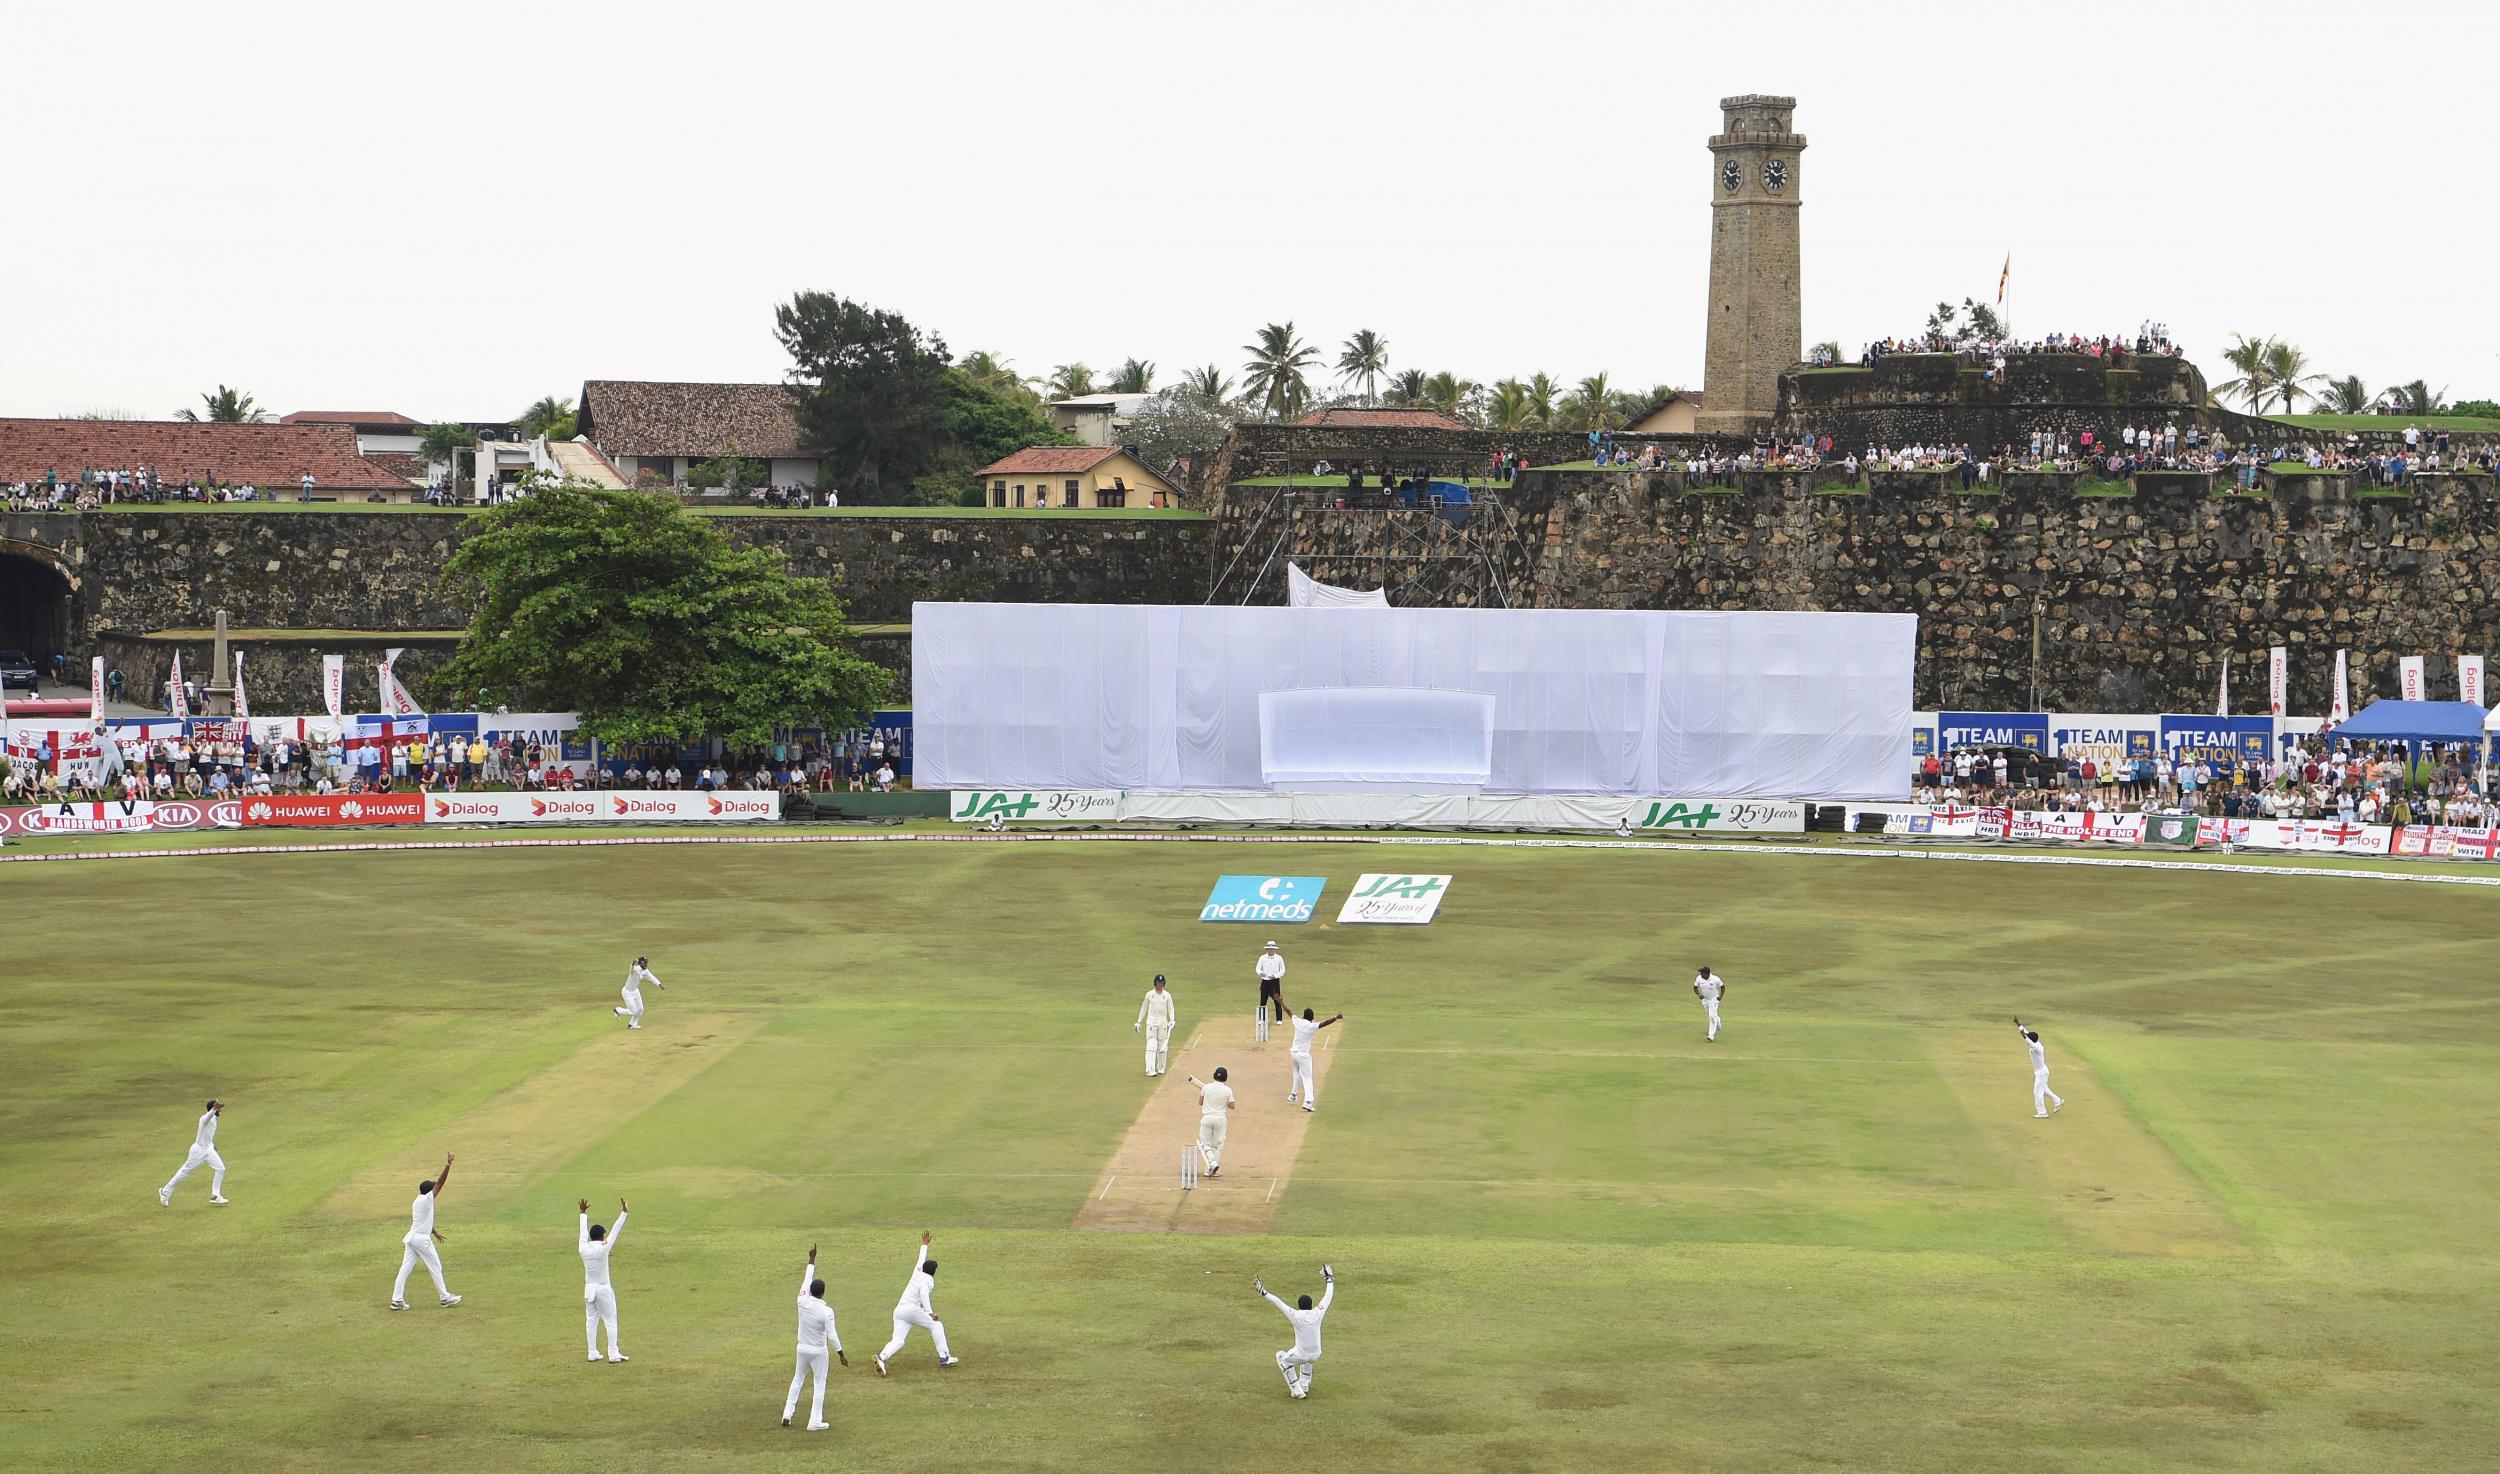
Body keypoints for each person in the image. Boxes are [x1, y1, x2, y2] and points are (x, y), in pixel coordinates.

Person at [874, 1231, 959, 1374]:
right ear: (934, 1272)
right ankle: (944, 1357)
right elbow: (923, 1294)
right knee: (936, 1326)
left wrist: (924, 1244)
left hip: (899, 1310)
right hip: (911, 1309)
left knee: (899, 1341)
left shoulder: (918, 1270)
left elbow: (921, 1258)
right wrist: (930, 1313)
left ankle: (881, 1358)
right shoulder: (928, 1281)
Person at [784, 1243, 847, 1429]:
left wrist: (812, 1259)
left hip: (802, 1348)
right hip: (819, 1351)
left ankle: (787, 1413)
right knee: (819, 1384)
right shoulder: (826, 1311)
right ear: (823, 1293)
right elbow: (832, 1335)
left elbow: (806, 1278)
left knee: (797, 1379)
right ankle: (814, 1421)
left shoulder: (801, 1300)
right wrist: (841, 1354)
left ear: (810, 1290)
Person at [391, 1153, 462, 1310]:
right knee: (435, 1266)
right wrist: (448, 1165)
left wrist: (435, 1233)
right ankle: (445, 1298)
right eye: (433, 1186)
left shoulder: (418, 1201)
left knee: (405, 1268)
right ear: (429, 1192)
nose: (435, 1186)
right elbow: (440, 1183)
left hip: (412, 1238)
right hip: (421, 1240)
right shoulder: (427, 1199)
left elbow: (424, 1222)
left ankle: (397, 1300)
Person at [1255, 1264, 1335, 1399]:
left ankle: (1297, 1390)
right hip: (1316, 1354)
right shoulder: (1317, 1312)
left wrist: (1264, 1292)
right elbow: (1328, 1296)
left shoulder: (1295, 1315)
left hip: (1302, 1354)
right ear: (1311, 1305)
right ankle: (1304, 1383)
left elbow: (1279, 1303)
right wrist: (1329, 1278)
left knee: (1282, 1358)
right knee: (1307, 1357)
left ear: (1299, 1305)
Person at [578, 1196, 629, 1362]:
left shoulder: (583, 1249)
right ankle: (613, 1353)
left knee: (591, 1320)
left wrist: (583, 1213)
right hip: (603, 1289)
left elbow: (582, 1233)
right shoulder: (603, 1249)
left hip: (589, 1289)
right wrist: (624, 1212)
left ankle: (592, 1352)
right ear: (602, 1236)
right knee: (610, 1320)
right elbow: (615, 1232)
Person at [159, 1098, 229, 1206]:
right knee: (184, 1172)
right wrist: (213, 1110)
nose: (220, 1110)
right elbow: (207, 1118)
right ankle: (165, 1192)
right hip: (198, 1151)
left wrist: (212, 1145)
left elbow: (207, 1134)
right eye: (218, 1108)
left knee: (221, 1168)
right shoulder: (204, 1118)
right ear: (213, 1109)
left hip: (209, 1149)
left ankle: (215, 1195)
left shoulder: (214, 1119)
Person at [1285, 1007, 1343, 1112]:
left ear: (1303, 1016)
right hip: (1303, 1055)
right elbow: (1325, 1023)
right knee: (1307, 1079)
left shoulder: (1298, 1022)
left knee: (1296, 1073)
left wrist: (1281, 1002)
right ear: (1312, 1017)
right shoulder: (1312, 1026)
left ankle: (1293, 1095)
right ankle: (1308, 1102)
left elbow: (1289, 1012)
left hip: (1293, 1053)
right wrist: (1336, 1017)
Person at [1185, 1066, 1236, 1177]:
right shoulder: (1227, 1090)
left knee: (1205, 1144)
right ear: (1225, 1078)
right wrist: (1224, 1101)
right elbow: (1232, 1106)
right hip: (1220, 1119)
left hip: (1207, 1118)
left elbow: (1200, 1102)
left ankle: (1210, 1167)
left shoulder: (1206, 1087)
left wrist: (1210, 1099)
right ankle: (1211, 1167)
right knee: (1217, 1146)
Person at [2015, 1017, 2065, 1118]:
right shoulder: (2035, 1042)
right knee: (2044, 1089)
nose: (2028, 1037)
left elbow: (2026, 1039)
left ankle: (2042, 1112)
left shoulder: (2037, 1047)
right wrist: (2019, 1024)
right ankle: (2058, 1101)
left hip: (2041, 1073)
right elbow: (2026, 1033)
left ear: (2032, 1040)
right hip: (2041, 1072)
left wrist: (2023, 1035)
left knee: (2037, 1092)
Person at [1136, 974, 1177, 1077]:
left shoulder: (1167, 995)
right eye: (1158, 983)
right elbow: (1144, 1007)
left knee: (1163, 1045)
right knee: (1151, 1044)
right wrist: (1139, 1022)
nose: (1160, 984)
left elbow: (1171, 1008)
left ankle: (1161, 1068)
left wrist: (1172, 1020)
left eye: (1162, 983)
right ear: (1155, 983)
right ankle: (1149, 1070)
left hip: (1163, 1022)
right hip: (1152, 1022)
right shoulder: (1149, 994)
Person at [613, 955, 665, 1030]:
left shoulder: (645, 971)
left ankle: (632, 1025)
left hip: (635, 991)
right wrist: (632, 963)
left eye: (646, 963)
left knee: (640, 1009)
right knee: (632, 1012)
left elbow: (651, 977)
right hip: (627, 992)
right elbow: (631, 969)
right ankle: (618, 1010)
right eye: (644, 963)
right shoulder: (635, 970)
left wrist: (659, 984)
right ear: (640, 963)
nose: (646, 965)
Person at [1254, 941, 1287, 1043]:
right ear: (1267, 949)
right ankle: (1261, 1019)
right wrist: (1261, 973)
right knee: (1263, 1001)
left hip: (1274, 981)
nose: (1271, 950)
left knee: (1277, 1000)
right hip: (1265, 981)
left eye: (1272, 949)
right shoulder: (1262, 958)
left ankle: (1279, 1019)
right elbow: (1257, 968)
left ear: (1275, 949)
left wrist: (1276, 975)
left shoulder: (1279, 958)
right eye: (1269, 949)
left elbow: (1283, 970)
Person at [1693, 966, 1727, 1043]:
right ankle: (1718, 1019)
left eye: (1701, 972)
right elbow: (1695, 987)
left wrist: (1720, 997)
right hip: (1705, 1000)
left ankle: (1711, 1035)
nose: (1700, 974)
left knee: (1711, 1017)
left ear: (1706, 973)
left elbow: (1722, 987)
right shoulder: (1699, 978)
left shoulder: (1715, 979)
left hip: (1714, 999)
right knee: (1711, 1015)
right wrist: (1698, 994)